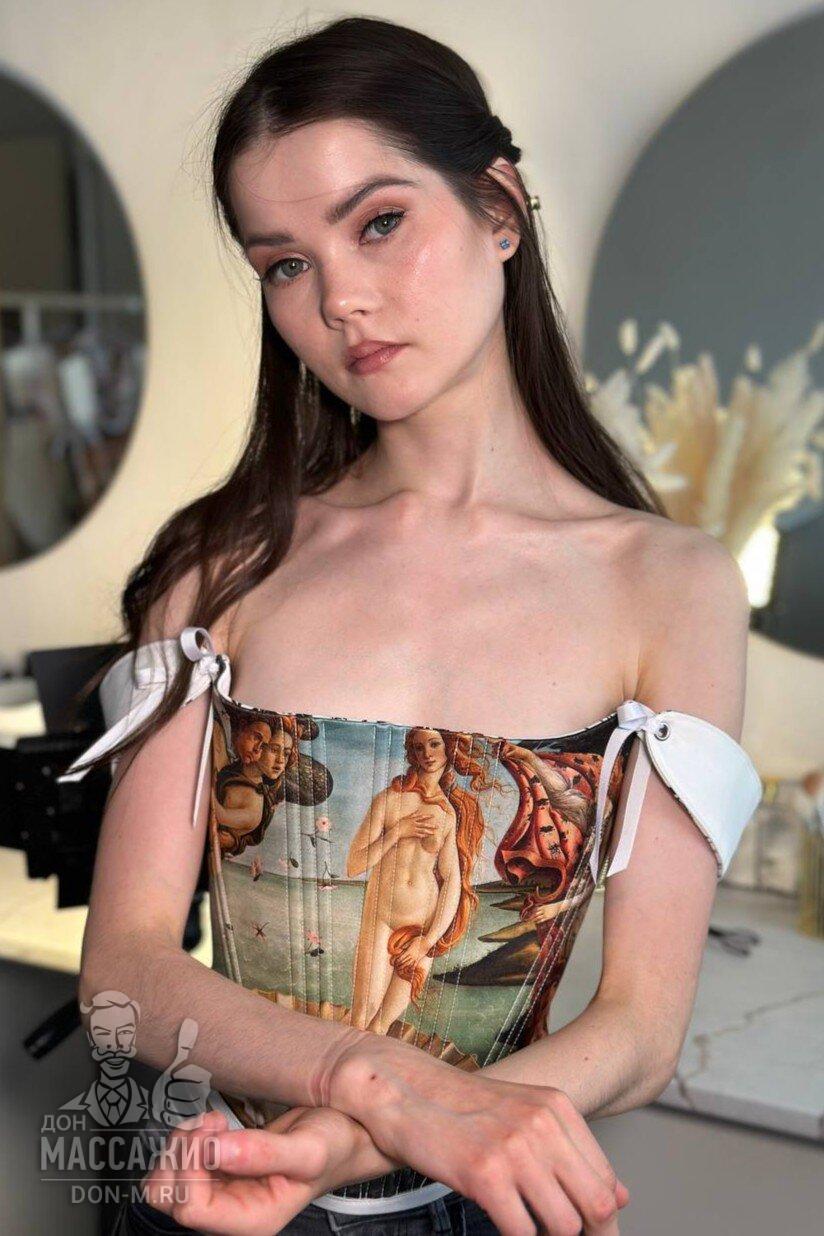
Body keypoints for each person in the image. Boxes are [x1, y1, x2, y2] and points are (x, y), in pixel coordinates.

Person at [60, 14, 762, 1236]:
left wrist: (346, 1137)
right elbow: (124, 964)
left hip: (475, 1205)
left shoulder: (670, 586)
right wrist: (376, 1088)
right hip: (211, 1189)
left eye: (378, 222)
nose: (339, 299)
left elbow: (640, 1030)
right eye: (284, 264)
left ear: (499, 208)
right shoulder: (225, 564)